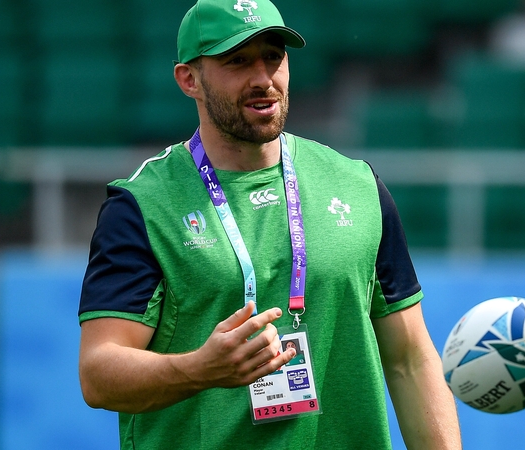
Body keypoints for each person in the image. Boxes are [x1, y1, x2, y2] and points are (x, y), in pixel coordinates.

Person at [77, 0, 462, 448]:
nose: (263, 78)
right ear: (189, 79)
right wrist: (199, 368)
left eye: (273, 58)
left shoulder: (357, 185)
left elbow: (410, 359)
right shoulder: (143, 205)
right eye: (237, 61)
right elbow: (98, 373)